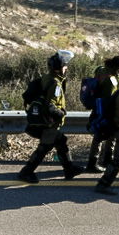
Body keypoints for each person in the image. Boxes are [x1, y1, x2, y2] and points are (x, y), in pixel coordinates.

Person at [19, 50, 78, 183]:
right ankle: (26, 172)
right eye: (65, 66)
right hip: (49, 122)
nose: (66, 68)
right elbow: (50, 106)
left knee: (61, 141)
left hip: (45, 120)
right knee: (44, 147)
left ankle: (69, 169)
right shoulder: (55, 83)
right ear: (59, 68)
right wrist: (61, 113)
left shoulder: (46, 78)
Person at [83, 54, 119, 173]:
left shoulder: (101, 70)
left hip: (97, 107)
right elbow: (109, 97)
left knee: (107, 134)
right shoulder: (111, 79)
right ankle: (93, 163)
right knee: (101, 135)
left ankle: (105, 160)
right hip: (104, 110)